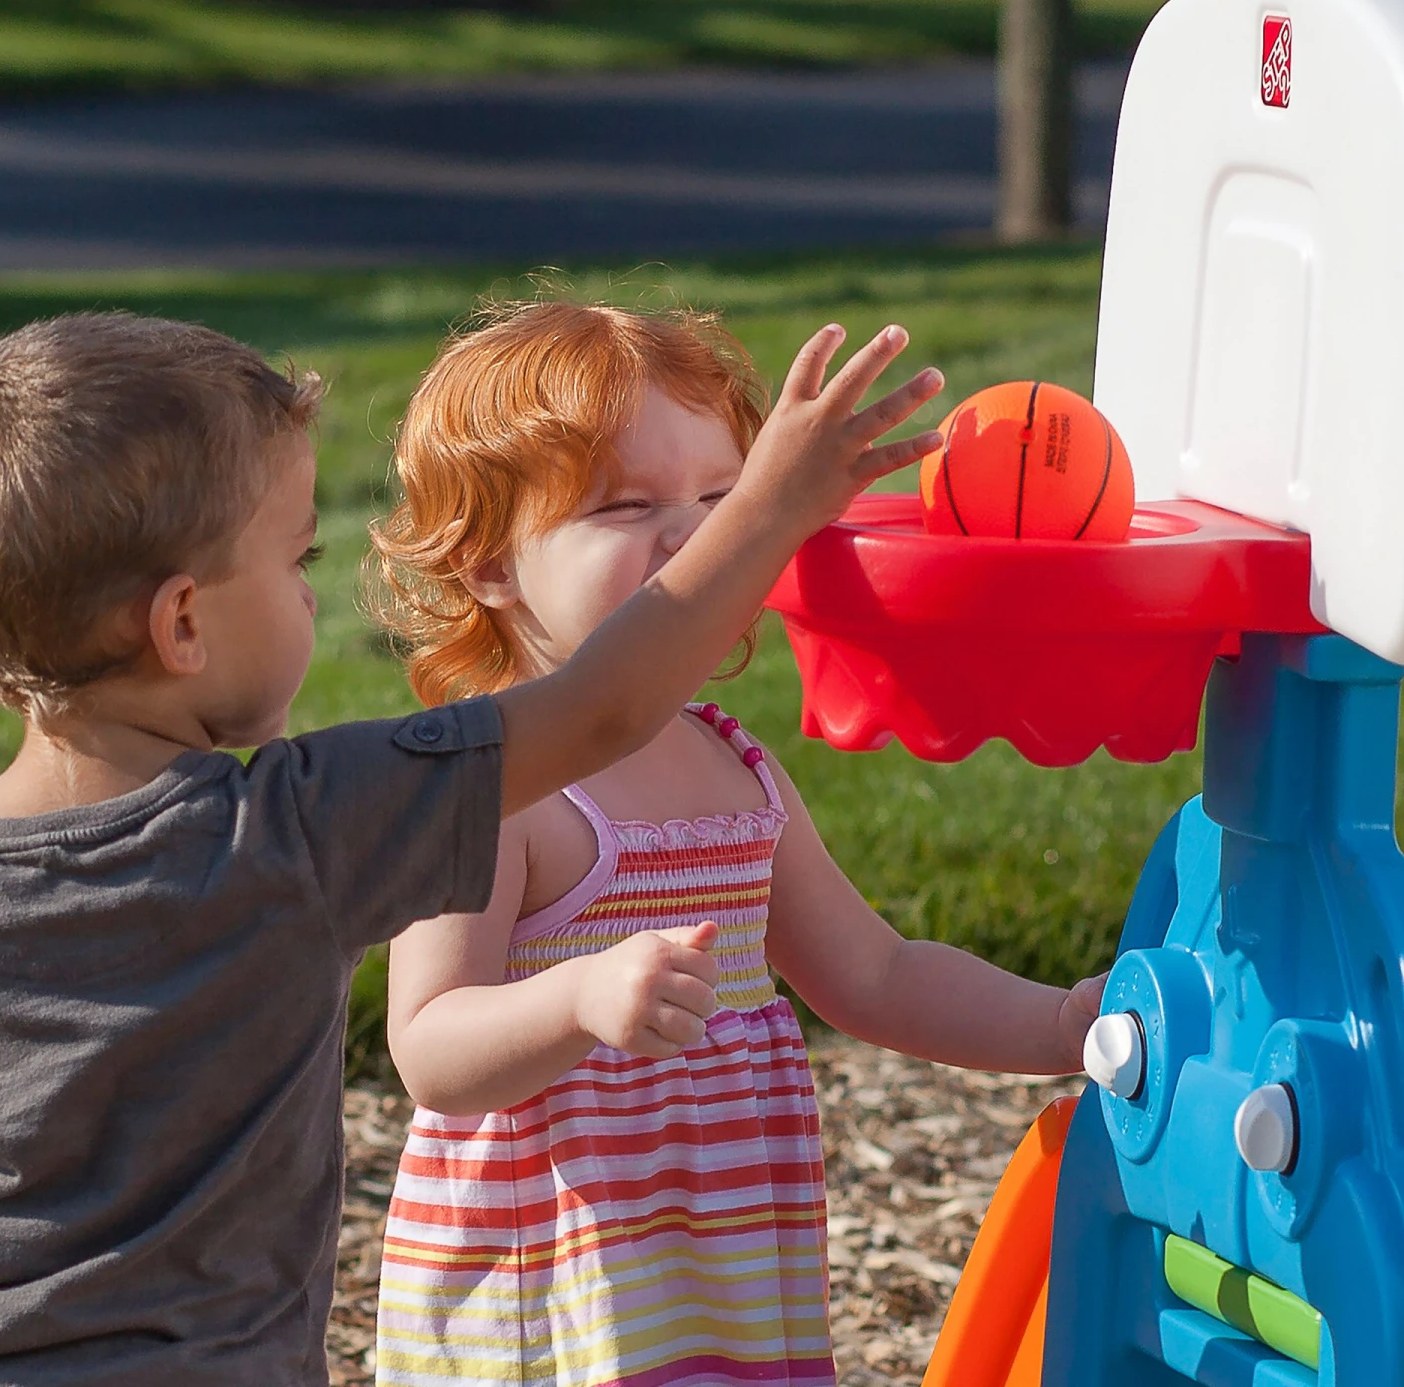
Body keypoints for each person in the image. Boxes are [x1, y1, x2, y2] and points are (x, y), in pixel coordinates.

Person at [0, 309, 939, 1387]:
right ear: (184, 626)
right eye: (296, 560)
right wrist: (767, 508)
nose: (309, 591)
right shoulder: (303, 831)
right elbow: (600, 710)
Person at [369, 301, 1107, 1387]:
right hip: (551, 1303)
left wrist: (1055, 1025)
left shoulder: (730, 766)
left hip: (717, 1275)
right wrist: (575, 1001)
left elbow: (879, 974)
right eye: (627, 507)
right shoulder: (498, 787)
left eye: (725, 500)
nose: (700, 537)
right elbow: (429, 1046)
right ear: (486, 564)